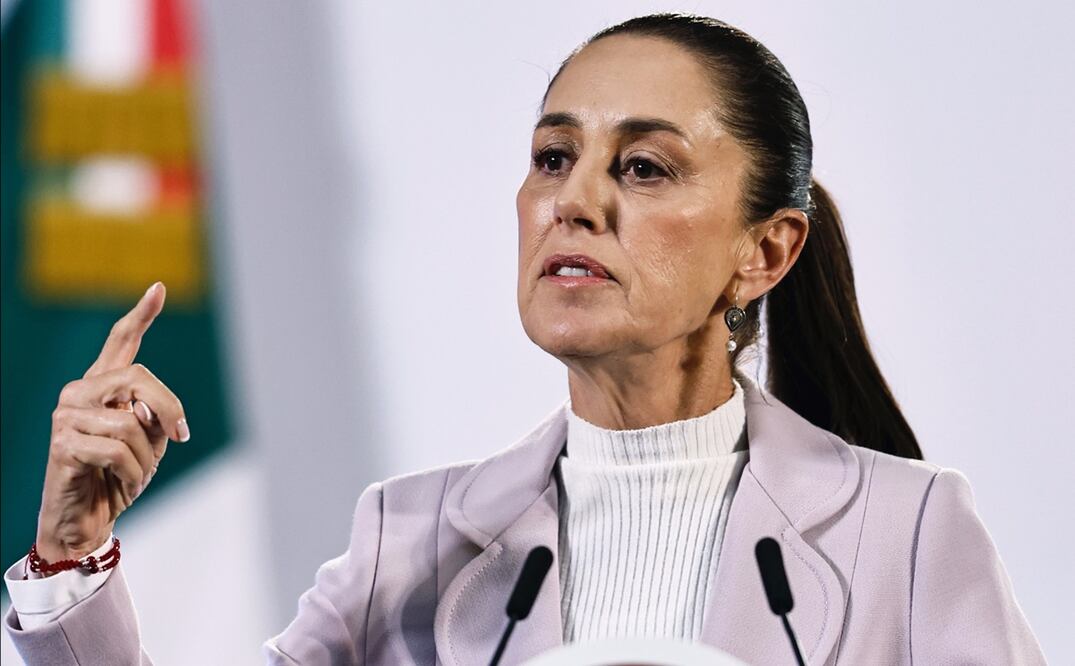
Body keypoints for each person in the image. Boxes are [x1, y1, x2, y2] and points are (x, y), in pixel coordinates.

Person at [3, 13, 1045, 666]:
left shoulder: (905, 536)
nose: (573, 203)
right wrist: (70, 559)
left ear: (764, 253)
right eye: (553, 157)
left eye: (643, 168)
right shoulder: (406, 543)